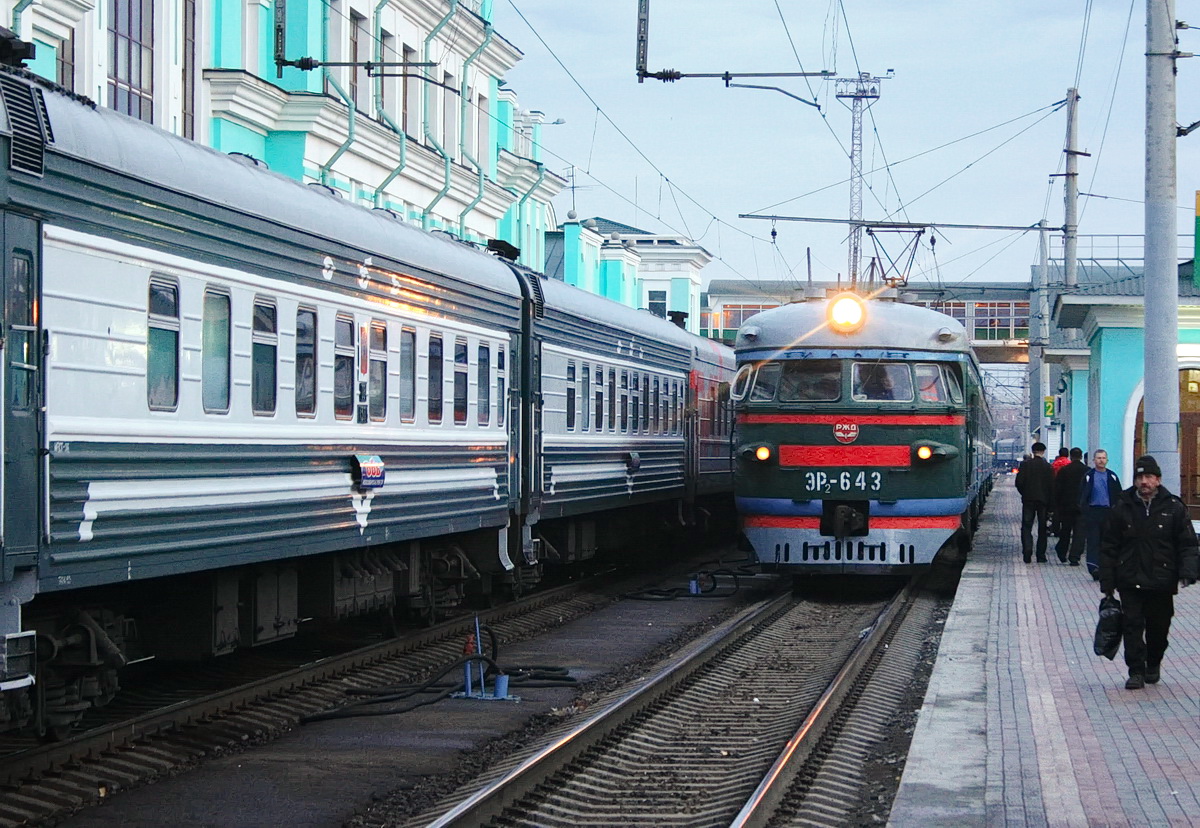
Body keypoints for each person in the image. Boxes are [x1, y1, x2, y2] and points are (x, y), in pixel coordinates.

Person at [1099, 455, 1198, 690]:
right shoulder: (1122, 507)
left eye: (1149, 477)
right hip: (1129, 579)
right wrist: (1107, 580)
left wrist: (1188, 571)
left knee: (1159, 628)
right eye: (1140, 477)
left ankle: (1153, 662)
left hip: (1161, 581)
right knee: (1132, 626)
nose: (1144, 482)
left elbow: (1187, 543)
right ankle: (1136, 671)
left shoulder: (1173, 507)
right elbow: (1108, 546)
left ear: (1158, 480)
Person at [1074, 449, 1122, 577]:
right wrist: (1084, 510)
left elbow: (1118, 495)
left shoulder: (1112, 476)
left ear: (1107, 460)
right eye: (1098, 458)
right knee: (1093, 540)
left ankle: (1106, 567)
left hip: (1108, 512)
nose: (1101, 460)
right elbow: (1082, 494)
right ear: (1094, 460)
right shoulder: (1089, 476)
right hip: (1093, 512)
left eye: (1103, 458)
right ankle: (1093, 567)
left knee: (1107, 541)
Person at [1015, 442, 1054, 563]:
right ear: (1043, 452)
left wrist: (1025, 493)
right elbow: (1052, 486)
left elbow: (1019, 483)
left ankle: (1027, 552)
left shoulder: (1025, 465)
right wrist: (1050, 503)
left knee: (1026, 526)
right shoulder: (1048, 467)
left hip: (1028, 500)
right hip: (1043, 501)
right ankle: (1041, 555)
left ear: (1033, 451)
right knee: (1042, 528)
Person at [1052, 447, 1087, 563]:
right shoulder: (1087, 471)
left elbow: (1057, 489)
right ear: (1081, 457)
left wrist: (1057, 505)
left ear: (1070, 457)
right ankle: (1074, 556)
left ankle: (1062, 551)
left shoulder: (1064, 470)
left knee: (1065, 531)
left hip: (1066, 506)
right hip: (1082, 506)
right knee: (1079, 533)